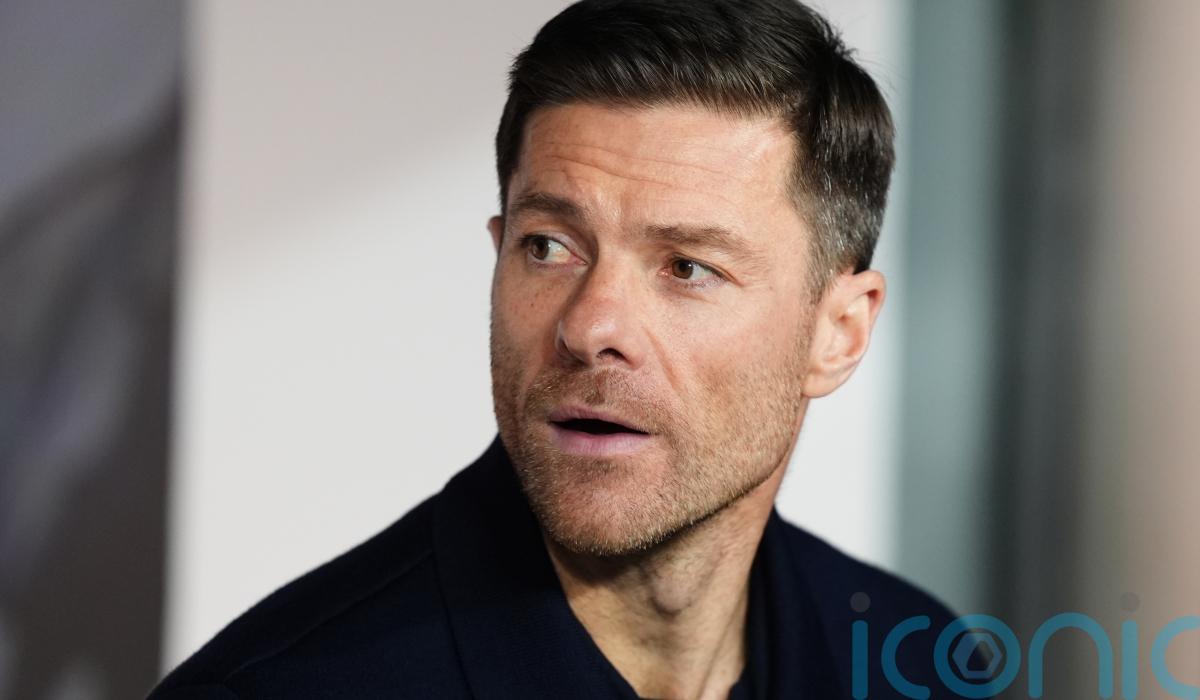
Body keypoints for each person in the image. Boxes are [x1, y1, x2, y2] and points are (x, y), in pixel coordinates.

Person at [150, 1, 962, 697]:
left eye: (687, 267)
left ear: (839, 332)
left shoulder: (920, 664)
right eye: (548, 247)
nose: (590, 326)